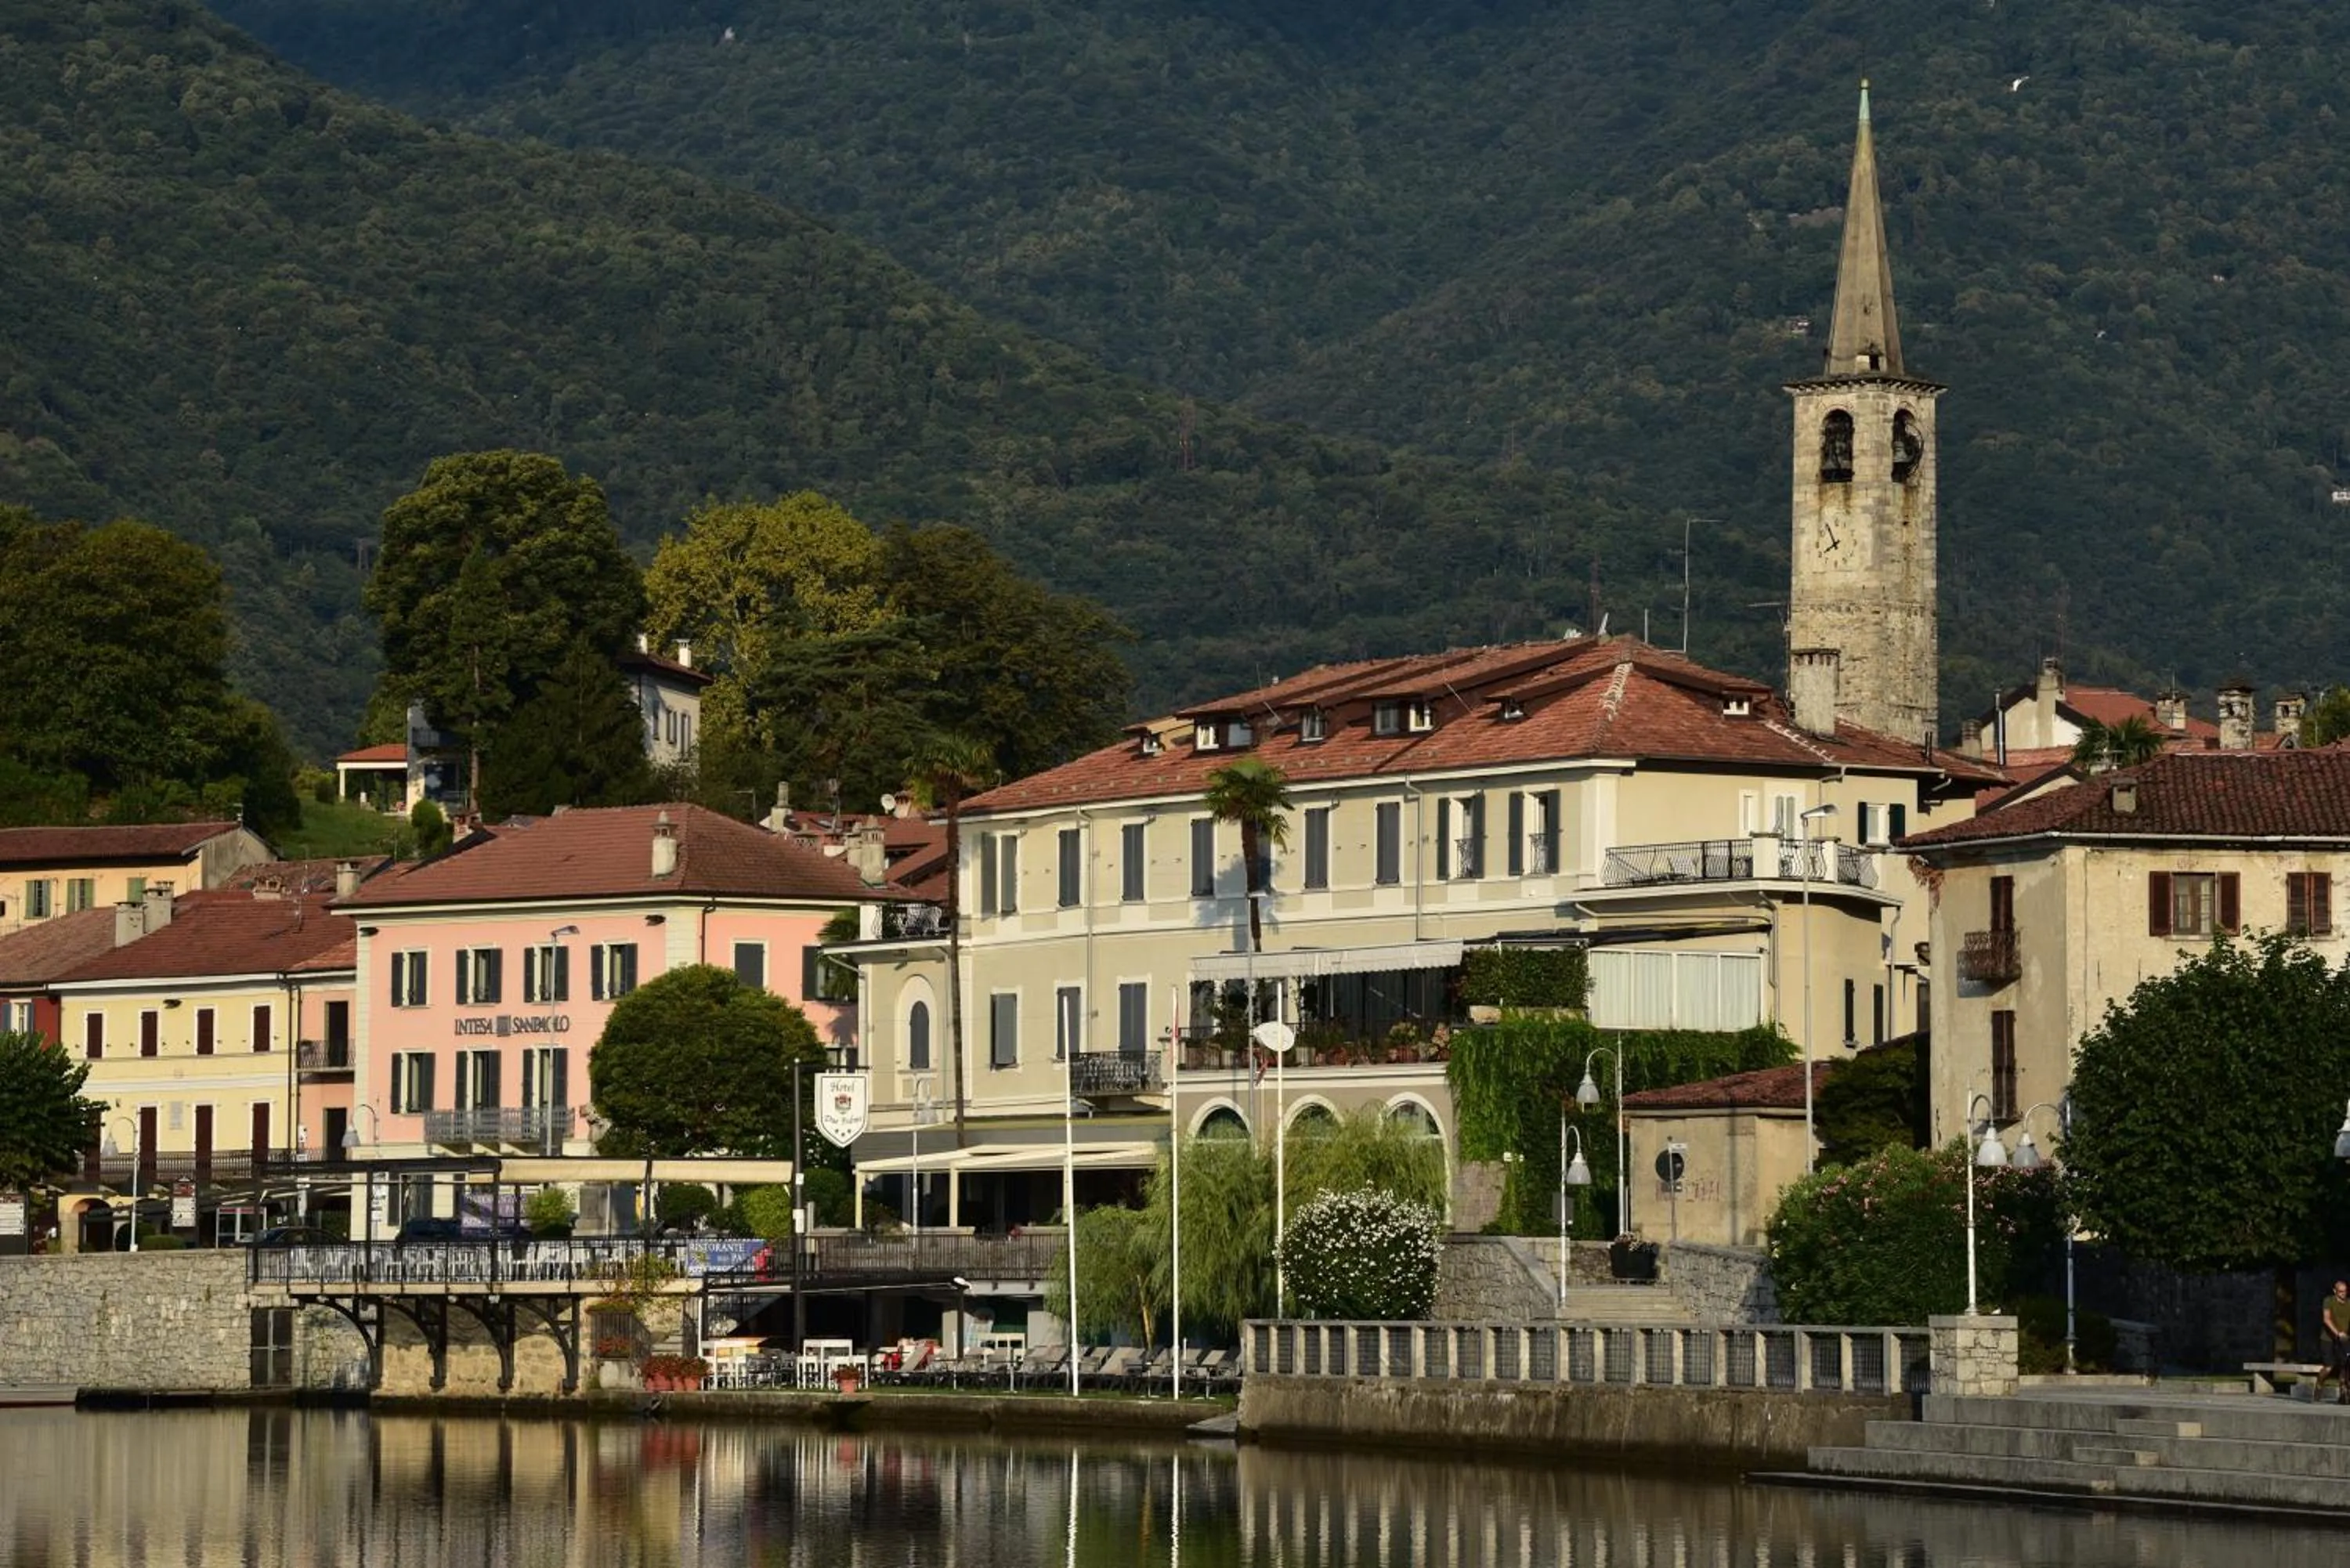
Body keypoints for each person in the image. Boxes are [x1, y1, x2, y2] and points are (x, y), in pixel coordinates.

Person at [2323, 1281, 2350, 1405]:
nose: (2343, 1294)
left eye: (2345, 1291)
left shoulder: (2349, 1303)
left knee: (2346, 1364)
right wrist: (2338, 1333)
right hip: (2332, 1338)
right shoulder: (2329, 1301)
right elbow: (2326, 1319)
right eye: (2340, 1291)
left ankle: (2345, 1393)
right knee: (2339, 1364)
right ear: (2335, 1291)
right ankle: (2342, 1392)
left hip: (2346, 1339)